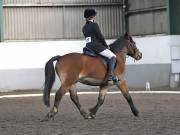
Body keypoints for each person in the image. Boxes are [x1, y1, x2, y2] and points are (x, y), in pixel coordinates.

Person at [82, 8, 118, 82]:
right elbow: (100, 37)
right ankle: (110, 75)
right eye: (94, 15)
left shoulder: (84, 27)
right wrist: (106, 46)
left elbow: (89, 38)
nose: (95, 16)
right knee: (113, 56)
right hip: (96, 47)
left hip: (88, 47)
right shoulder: (94, 25)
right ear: (92, 16)